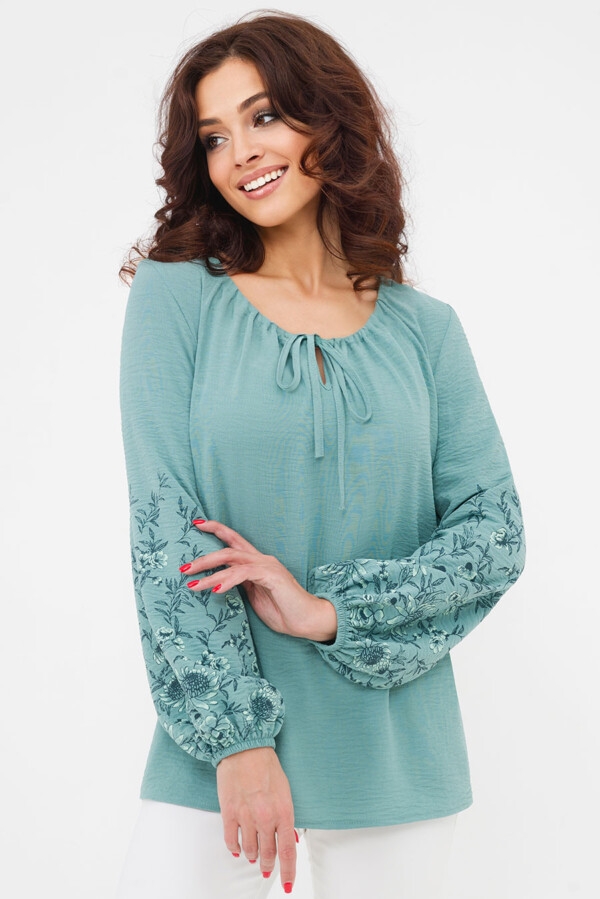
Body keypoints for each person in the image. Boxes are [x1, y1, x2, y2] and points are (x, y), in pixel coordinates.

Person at [116, 11, 525, 899]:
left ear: (327, 119)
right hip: (216, 753)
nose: (240, 154)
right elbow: (164, 526)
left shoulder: (427, 330)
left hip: (396, 757)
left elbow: (494, 535)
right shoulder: (177, 295)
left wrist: (329, 609)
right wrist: (239, 740)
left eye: (263, 116)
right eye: (214, 137)